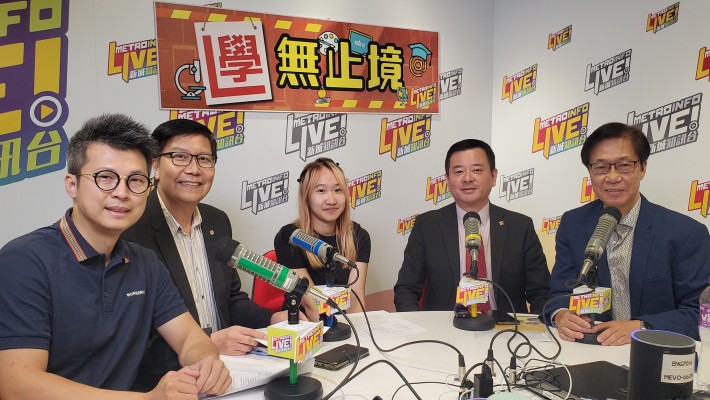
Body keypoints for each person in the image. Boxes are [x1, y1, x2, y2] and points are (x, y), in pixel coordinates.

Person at [0, 114, 231, 399]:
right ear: (72, 185)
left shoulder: (144, 263)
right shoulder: (23, 262)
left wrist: (206, 362)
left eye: (135, 180)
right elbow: (17, 385)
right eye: (105, 178)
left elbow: (188, 338)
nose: (122, 193)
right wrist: (148, 399)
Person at [122, 119, 292, 391]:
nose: (194, 169)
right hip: (167, 382)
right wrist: (208, 341)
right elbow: (131, 336)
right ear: (154, 165)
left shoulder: (217, 221)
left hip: (229, 371)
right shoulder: (130, 229)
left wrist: (271, 320)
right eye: (179, 157)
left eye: (204, 159)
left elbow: (231, 299)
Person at [545, 122, 710, 345]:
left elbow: (700, 313)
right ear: (590, 172)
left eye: (624, 166)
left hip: (655, 355)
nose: (612, 177)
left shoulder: (685, 233)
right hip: (589, 351)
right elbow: (558, 294)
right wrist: (561, 315)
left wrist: (641, 327)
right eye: (601, 167)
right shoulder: (573, 224)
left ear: (642, 168)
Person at [394, 139, 550, 314]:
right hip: (444, 331)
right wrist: (422, 332)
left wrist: (537, 331)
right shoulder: (427, 226)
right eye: (459, 171)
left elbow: (541, 293)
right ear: (447, 179)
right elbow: (406, 289)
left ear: (493, 176)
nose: (467, 178)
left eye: (477, 170)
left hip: (505, 332)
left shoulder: (520, 226)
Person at [274, 157, 370, 319]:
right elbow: (311, 305)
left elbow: (355, 302)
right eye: (321, 191)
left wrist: (353, 338)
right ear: (306, 197)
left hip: (344, 324)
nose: (331, 200)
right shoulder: (290, 237)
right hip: (305, 327)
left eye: (338, 190)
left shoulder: (359, 236)